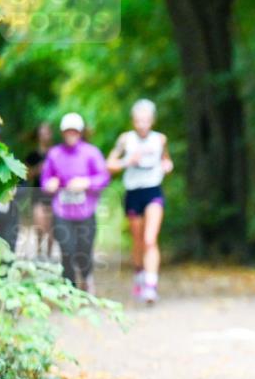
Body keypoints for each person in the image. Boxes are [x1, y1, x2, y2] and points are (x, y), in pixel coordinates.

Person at [106, 99, 173, 304]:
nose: (142, 124)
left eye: (146, 120)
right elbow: (109, 165)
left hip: (153, 190)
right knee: (138, 240)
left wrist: (167, 165)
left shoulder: (160, 140)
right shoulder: (126, 140)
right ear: (133, 121)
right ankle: (139, 275)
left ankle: (151, 285)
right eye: (138, 121)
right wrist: (128, 161)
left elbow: (166, 160)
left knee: (150, 239)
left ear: (152, 121)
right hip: (133, 192)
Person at [40, 112, 110, 293]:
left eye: (75, 131)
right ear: (63, 133)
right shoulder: (54, 154)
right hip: (62, 211)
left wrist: (86, 183)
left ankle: (86, 278)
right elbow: (45, 181)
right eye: (68, 131)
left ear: (80, 133)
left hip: (86, 211)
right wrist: (50, 184)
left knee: (84, 250)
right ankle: (69, 288)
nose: (71, 134)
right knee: (66, 249)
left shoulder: (91, 153)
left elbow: (104, 177)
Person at [23, 122, 55, 259]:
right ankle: (39, 255)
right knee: (40, 228)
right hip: (37, 194)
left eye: (47, 133)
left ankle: (48, 257)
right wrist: (38, 169)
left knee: (52, 230)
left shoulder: (56, 153)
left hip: (54, 196)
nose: (44, 136)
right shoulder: (32, 156)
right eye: (42, 133)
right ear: (38, 136)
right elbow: (25, 174)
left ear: (51, 135)